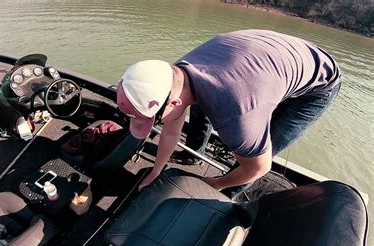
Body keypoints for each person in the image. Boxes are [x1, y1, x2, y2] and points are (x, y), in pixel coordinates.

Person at [116, 30, 341, 192]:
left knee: (258, 155)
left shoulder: (237, 116)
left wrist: (216, 183)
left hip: (317, 82)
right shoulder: (171, 76)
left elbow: (260, 168)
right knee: (202, 106)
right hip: (265, 62)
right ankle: (195, 153)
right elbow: (172, 128)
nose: (155, 125)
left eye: (154, 119)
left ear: (171, 102)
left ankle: (222, 199)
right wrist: (156, 171)